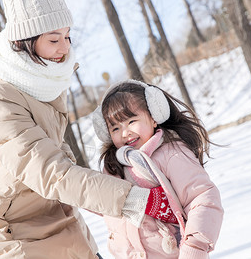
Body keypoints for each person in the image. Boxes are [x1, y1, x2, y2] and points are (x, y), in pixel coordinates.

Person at [0, 0, 176, 258]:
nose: (65, 47)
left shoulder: (40, 82)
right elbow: (50, 172)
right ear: (25, 42)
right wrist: (138, 200)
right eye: (54, 39)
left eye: (67, 36)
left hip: (54, 221)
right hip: (7, 236)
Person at [92, 79, 224, 259]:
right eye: (115, 128)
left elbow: (202, 198)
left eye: (131, 121)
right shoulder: (114, 165)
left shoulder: (171, 154)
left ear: (154, 117)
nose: (125, 133)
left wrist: (195, 247)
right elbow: (103, 203)